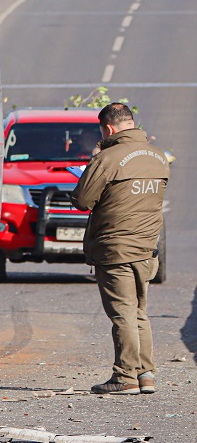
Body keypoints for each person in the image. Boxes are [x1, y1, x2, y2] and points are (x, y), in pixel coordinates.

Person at [71, 103, 168, 395]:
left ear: (108, 129)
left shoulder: (108, 158)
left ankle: (124, 376)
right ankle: (146, 374)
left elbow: (83, 200)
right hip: (147, 247)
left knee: (122, 313)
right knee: (139, 311)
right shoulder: (158, 157)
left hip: (116, 247)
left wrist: (94, 162)